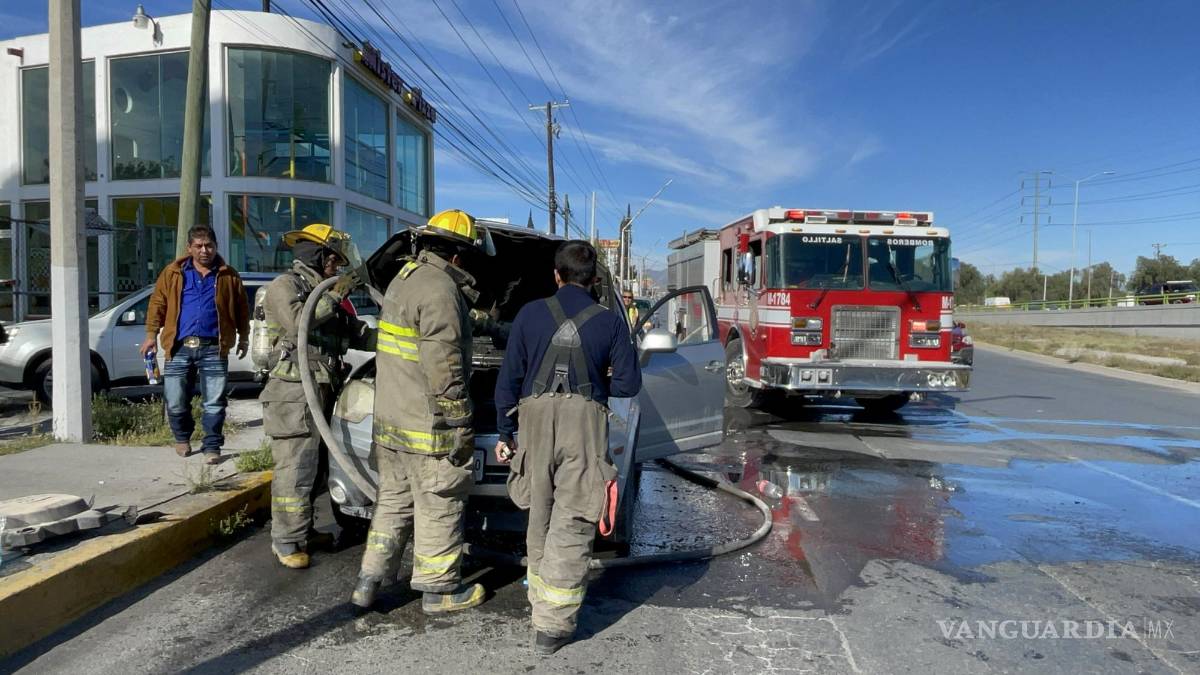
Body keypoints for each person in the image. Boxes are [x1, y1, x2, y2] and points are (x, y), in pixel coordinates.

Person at [493, 240, 642, 655]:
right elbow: (629, 384)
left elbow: (508, 380)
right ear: (594, 280)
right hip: (585, 423)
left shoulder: (528, 314)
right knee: (574, 516)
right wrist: (596, 379)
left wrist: (505, 433)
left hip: (534, 422)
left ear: (556, 276)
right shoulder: (610, 322)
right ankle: (553, 626)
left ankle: (539, 602)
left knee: (539, 512)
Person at [351, 209, 494, 613]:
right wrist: (461, 421)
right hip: (426, 426)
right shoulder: (440, 290)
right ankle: (438, 590)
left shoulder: (406, 278)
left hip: (392, 423)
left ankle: (368, 581)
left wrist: (491, 325)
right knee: (439, 501)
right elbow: (443, 366)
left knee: (393, 502)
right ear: (459, 256)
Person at [259, 224, 374, 569]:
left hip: (323, 391)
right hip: (293, 394)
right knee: (295, 468)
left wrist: (403, 338)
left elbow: (356, 333)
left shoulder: (321, 292)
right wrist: (335, 293)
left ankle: (304, 532)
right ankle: (286, 540)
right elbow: (300, 322)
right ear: (316, 256)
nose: (337, 267)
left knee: (317, 468)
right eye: (333, 260)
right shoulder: (286, 286)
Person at [141, 225, 249, 465]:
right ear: (189, 248)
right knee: (175, 399)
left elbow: (242, 308)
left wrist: (244, 336)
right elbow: (157, 304)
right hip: (178, 347)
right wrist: (151, 335)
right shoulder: (173, 273)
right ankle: (182, 437)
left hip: (213, 348)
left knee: (214, 402)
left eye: (209, 246)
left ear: (216, 247)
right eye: (199, 246)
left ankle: (212, 446)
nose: (204, 250)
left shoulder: (228, 275)